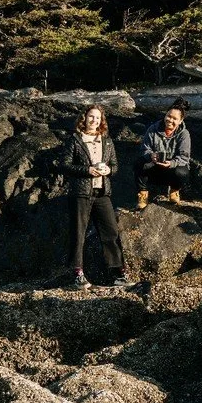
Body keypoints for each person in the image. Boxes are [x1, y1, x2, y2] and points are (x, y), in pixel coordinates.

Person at [61, 104, 130, 290]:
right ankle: (78, 274)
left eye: (98, 118)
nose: (94, 121)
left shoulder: (107, 141)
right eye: (91, 117)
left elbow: (115, 166)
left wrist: (109, 170)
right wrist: (87, 170)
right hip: (80, 193)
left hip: (102, 193)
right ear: (84, 118)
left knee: (111, 233)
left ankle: (118, 273)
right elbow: (64, 165)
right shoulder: (74, 140)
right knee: (78, 234)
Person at [135, 97, 191, 209]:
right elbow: (144, 149)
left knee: (182, 172)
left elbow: (184, 157)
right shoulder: (153, 129)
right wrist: (151, 155)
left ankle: (174, 191)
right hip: (154, 167)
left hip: (172, 169)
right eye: (169, 116)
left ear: (180, 121)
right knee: (139, 163)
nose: (170, 120)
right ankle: (143, 195)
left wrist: (171, 163)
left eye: (174, 118)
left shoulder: (184, 134)